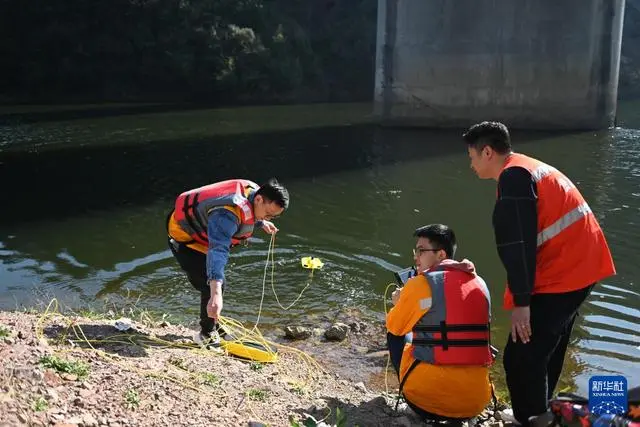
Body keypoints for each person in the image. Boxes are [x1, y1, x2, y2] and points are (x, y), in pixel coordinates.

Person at [462, 121, 616, 426]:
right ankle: (542, 412)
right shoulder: (528, 167)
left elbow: (518, 245)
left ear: (488, 152)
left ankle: (530, 418)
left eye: (472, 157)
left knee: (522, 356)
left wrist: (522, 303)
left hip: (564, 275)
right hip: (580, 269)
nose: (471, 165)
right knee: (548, 347)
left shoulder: (514, 179)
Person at [386, 224, 493, 423]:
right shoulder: (481, 283)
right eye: (415, 251)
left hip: (426, 402)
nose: (415, 257)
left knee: (397, 333)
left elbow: (395, 327)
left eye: (421, 251)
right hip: (475, 403)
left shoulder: (421, 284)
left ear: (441, 254)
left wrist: (398, 303)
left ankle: (413, 390)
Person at [166, 178, 289, 345]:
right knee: (209, 285)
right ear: (259, 199)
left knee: (216, 286)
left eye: (273, 216)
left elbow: (252, 211)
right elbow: (218, 250)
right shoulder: (226, 215)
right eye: (268, 214)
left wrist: (261, 222)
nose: (269, 217)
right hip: (185, 241)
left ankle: (213, 324)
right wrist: (216, 294)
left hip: (206, 236)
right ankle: (206, 333)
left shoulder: (254, 195)